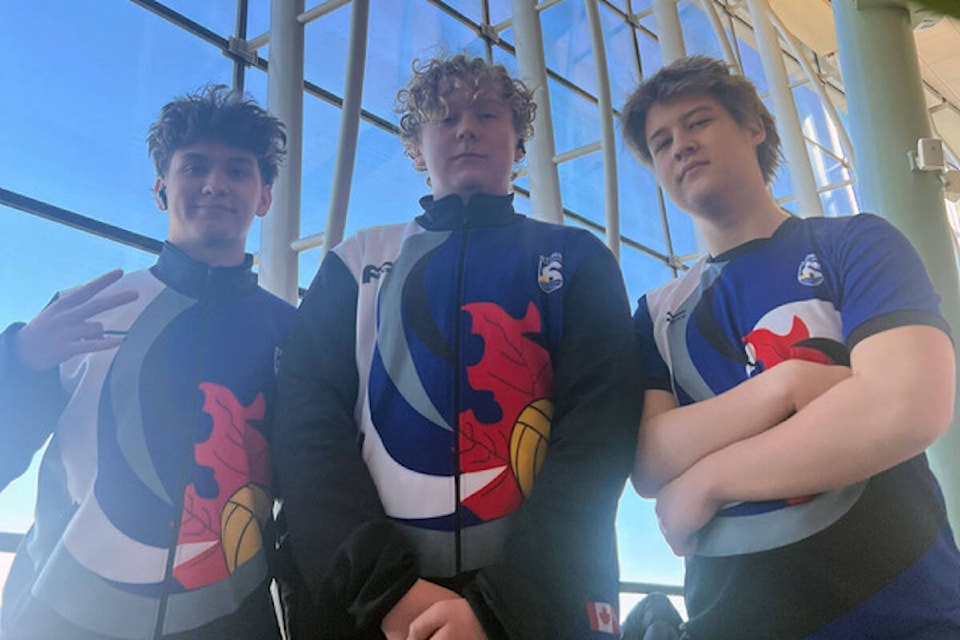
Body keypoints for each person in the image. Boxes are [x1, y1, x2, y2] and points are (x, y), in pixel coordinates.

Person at [272, 53, 642, 639]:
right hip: (374, 612)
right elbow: (306, 425)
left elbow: (599, 434)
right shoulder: (357, 260)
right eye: (444, 119)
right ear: (417, 150)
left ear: (519, 141)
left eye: (488, 113)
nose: (466, 127)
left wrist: (503, 606)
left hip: (535, 608)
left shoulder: (578, 259)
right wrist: (385, 591)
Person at [621, 55, 960, 638]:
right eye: (660, 141)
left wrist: (708, 480)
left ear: (754, 126)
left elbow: (905, 408)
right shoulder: (657, 313)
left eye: (698, 122)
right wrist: (791, 385)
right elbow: (651, 460)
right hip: (729, 620)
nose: (679, 145)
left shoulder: (855, 244)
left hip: (904, 606)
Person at [0, 85, 295, 639]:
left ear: (263, 198)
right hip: (62, 620)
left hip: (228, 622)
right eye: (194, 167)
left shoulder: (292, 334)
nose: (215, 184)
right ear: (162, 189)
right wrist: (17, 362)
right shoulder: (88, 311)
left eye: (237, 170)